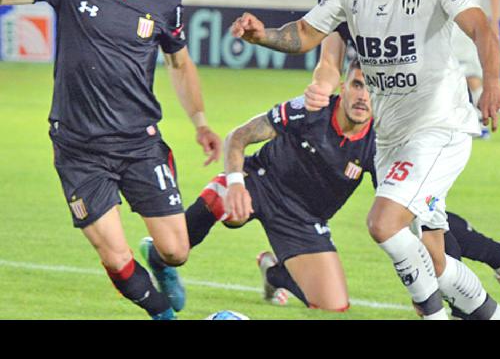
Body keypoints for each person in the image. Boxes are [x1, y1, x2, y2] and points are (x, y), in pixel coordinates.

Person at [230, 0, 500, 320]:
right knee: (435, 260)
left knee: (384, 222)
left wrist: (491, 86)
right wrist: (263, 36)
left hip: (439, 127)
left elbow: (482, 29)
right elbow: (308, 33)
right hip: (390, 135)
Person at [0, 0, 222, 320]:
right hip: (79, 149)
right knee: (115, 256)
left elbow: (180, 62)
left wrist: (200, 121)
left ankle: (157, 261)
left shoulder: (165, 1)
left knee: (177, 251)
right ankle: (163, 315)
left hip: (139, 144)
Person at [147, 59, 375, 311]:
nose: (363, 96)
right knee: (221, 201)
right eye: (357, 85)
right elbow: (238, 136)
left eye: (372, 89)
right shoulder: (312, 109)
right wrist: (235, 184)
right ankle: (160, 258)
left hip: (304, 219)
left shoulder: (381, 141)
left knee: (333, 306)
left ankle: (274, 273)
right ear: (343, 87)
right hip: (260, 181)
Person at [448, 0, 500, 139]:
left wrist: (494, 22)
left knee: (472, 76)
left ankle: (482, 122)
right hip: (454, 33)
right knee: (454, 77)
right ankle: (460, 121)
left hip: (471, 32)